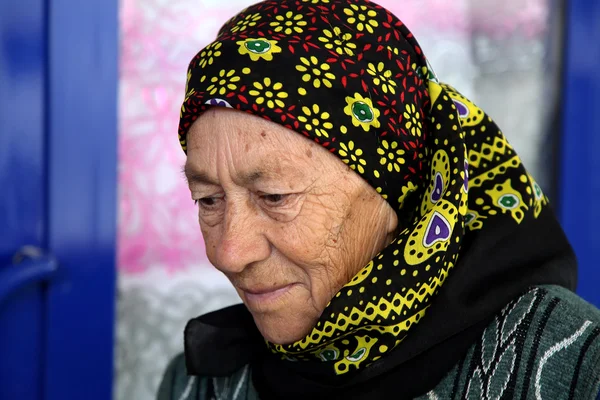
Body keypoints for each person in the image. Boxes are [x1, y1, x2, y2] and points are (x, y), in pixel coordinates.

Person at [157, 1, 600, 399]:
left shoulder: (573, 367)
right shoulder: (201, 381)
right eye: (208, 199)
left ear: (399, 191)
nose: (231, 254)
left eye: (274, 196)